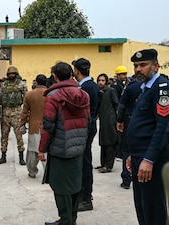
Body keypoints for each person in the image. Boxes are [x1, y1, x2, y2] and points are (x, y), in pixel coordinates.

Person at [38, 62, 90, 225]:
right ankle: (71, 218)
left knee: (60, 186)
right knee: (74, 184)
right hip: (78, 147)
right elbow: (88, 121)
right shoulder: (83, 95)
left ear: (54, 76)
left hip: (59, 148)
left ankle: (65, 220)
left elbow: (48, 126)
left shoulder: (53, 96)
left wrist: (41, 149)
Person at [126, 49, 169, 225]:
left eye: (143, 65)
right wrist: (132, 154)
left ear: (156, 66)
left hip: (151, 159)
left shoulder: (161, 88)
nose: (138, 69)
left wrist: (149, 159)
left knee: (153, 209)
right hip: (139, 156)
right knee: (142, 206)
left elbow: (163, 127)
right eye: (136, 65)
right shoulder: (145, 89)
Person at [72, 57, 99, 212]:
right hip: (89, 124)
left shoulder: (86, 87)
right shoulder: (91, 85)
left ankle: (86, 197)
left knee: (84, 163)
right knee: (84, 161)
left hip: (86, 127)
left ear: (77, 70)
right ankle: (84, 195)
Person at [0, 66, 28, 165]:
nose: (11, 75)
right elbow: (0, 98)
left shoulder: (22, 85)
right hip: (5, 113)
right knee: (4, 136)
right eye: (10, 74)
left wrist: (26, 114)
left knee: (19, 136)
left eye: (13, 74)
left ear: (16, 74)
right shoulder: (4, 85)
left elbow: (26, 100)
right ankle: (3, 155)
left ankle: (21, 156)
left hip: (17, 113)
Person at [117, 74, 142, 189]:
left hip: (130, 119)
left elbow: (122, 106)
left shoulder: (130, 87)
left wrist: (119, 120)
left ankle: (126, 179)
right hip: (145, 121)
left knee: (127, 149)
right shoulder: (149, 86)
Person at [19, 74, 47, 178]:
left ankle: (32, 171)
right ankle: (47, 172)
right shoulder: (50, 94)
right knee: (45, 150)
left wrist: (22, 124)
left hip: (33, 126)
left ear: (36, 82)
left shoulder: (29, 95)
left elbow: (25, 112)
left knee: (32, 150)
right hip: (47, 126)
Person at [95, 73, 118, 173]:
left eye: (103, 80)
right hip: (103, 120)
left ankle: (108, 165)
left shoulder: (111, 91)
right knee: (103, 141)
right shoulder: (99, 92)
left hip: (110, 119)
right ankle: (103, 163)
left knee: (109, 141)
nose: (100, 82)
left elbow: (116, 104)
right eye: (99, 80)